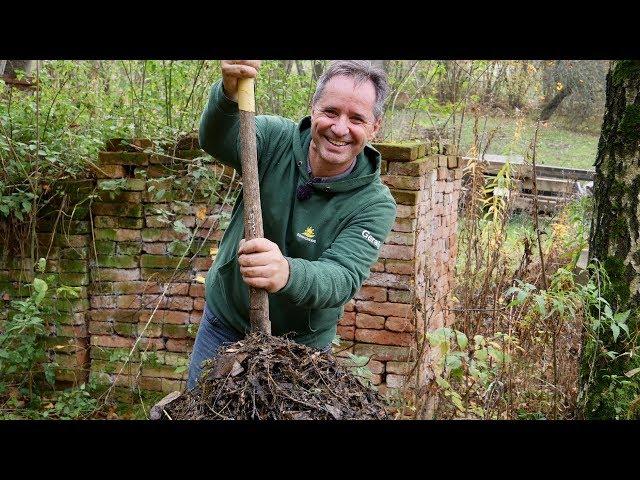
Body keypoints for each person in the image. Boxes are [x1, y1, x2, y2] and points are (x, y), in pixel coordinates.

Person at [187, 60, 397, 389]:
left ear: (375, 127)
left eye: (356, 118)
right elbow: (216, 139)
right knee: (203, 406)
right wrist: (229, 88)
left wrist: (286, 272)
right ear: (313, 109)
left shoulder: (374, 204)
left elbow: (342, 277)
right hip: (225, 324)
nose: (340, 128)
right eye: (330, 112)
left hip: (300, 348)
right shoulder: (275, 140)